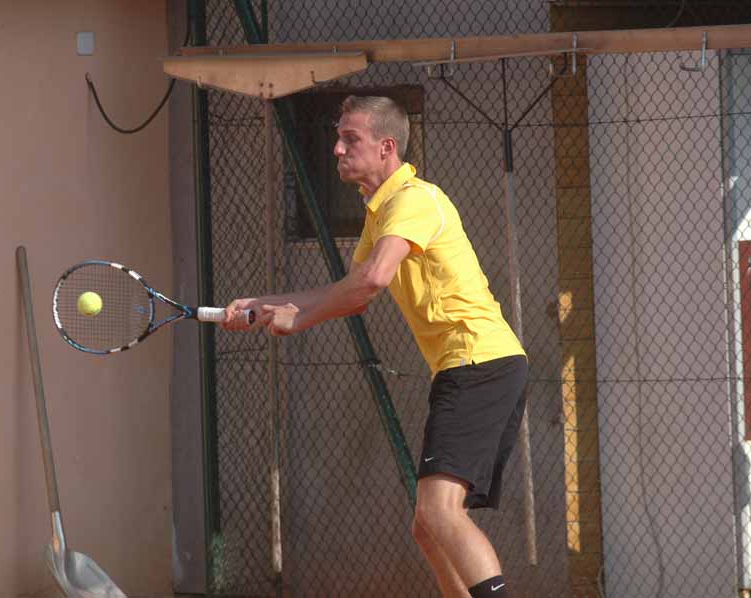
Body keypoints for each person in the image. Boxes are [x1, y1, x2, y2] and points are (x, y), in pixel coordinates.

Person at [222, 95, 527, 598]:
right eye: (337, 138)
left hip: (479, 361)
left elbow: (373, 280)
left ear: (387, 147)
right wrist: (263, 304)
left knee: (439, 512)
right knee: (427, 526)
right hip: (469, 366)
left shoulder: (414, 199)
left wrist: (300, 319)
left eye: (351, 139)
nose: (337, 149)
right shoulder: (380, 212)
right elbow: (349, 290)